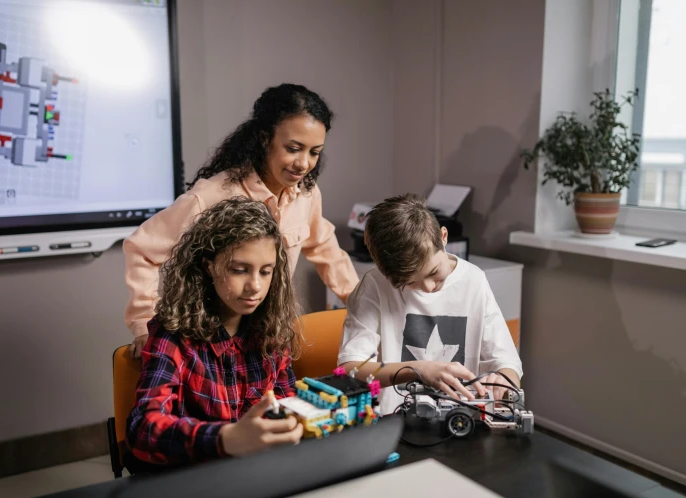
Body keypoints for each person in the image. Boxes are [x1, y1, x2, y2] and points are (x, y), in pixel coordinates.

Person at [123, 83, 359, 357]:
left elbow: (324, 249)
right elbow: (141, 249)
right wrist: (144, 323)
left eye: (314, 152)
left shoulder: (306, 194)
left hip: (266, 341)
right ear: (263, 138)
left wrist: (361, 305)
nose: (303, 163)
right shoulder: (210, 197)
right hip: (209, 344)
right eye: (293, 148)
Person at [125, 197, 303, 468]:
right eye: (239, 270)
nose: (255, 286)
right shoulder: (173, 334)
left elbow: (286, 402)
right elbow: (143, 430)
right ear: (209, 265)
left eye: (266, 272)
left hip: (259, 474)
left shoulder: (271, 330)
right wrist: (225, 439)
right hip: (197, 480)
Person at [336, 193, 523, 415]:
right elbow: (349, 369)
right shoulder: (375, 285)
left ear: (443, 237)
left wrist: (504, 377)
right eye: (410, 282)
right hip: (396, 421)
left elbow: (508, 363)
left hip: (461, 418)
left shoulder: (474, 280)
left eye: (434, 272)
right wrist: (418, 370)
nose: (427, 287)